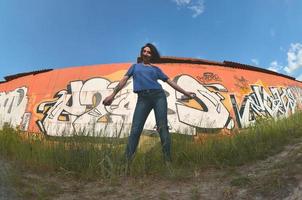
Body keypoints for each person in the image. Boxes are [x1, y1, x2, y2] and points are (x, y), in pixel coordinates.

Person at [102, 43, 195, 162]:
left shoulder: (156, 69)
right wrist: (113, 95)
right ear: (141, 53)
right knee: (135, 129)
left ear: (151, 55)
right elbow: (123, 80)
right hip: (143, 99)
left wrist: (186, 93)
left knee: (162, 128)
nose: (146, 53)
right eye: (144, 51)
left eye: (149, 52)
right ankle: (126, 162)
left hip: (158, 97)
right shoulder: (134, 67)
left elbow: (170, 82)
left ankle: (168, 161)